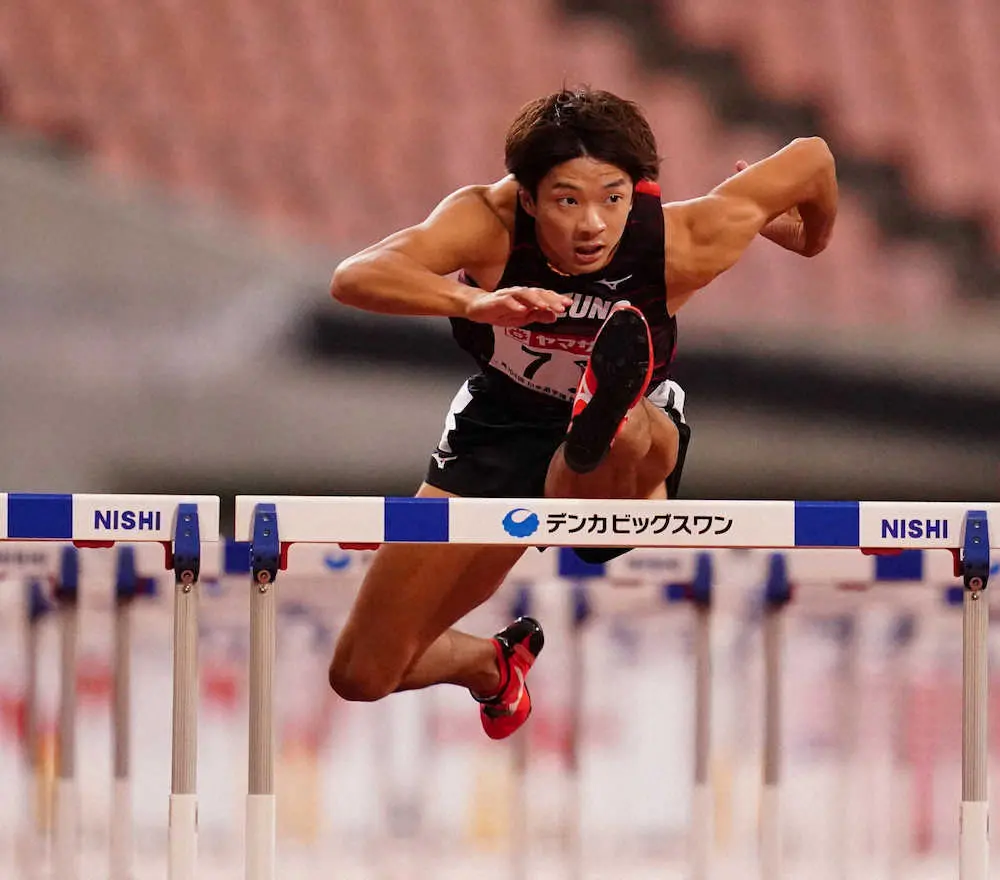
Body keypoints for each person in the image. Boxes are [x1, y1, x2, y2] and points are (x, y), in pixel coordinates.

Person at [328, 87, 837, 739]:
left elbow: (814, 157)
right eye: (568, 200)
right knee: (363, 675)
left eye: (613, 198)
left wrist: (803, 239)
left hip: (636, 438)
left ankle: (606, 418)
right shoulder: (488, 222)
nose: (592, 224)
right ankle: (493, 665)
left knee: (615, 450)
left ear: (638, 189)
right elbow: (355, 276)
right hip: (499, 429)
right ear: (531, 196)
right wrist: (472, 303)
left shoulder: (684, 239)